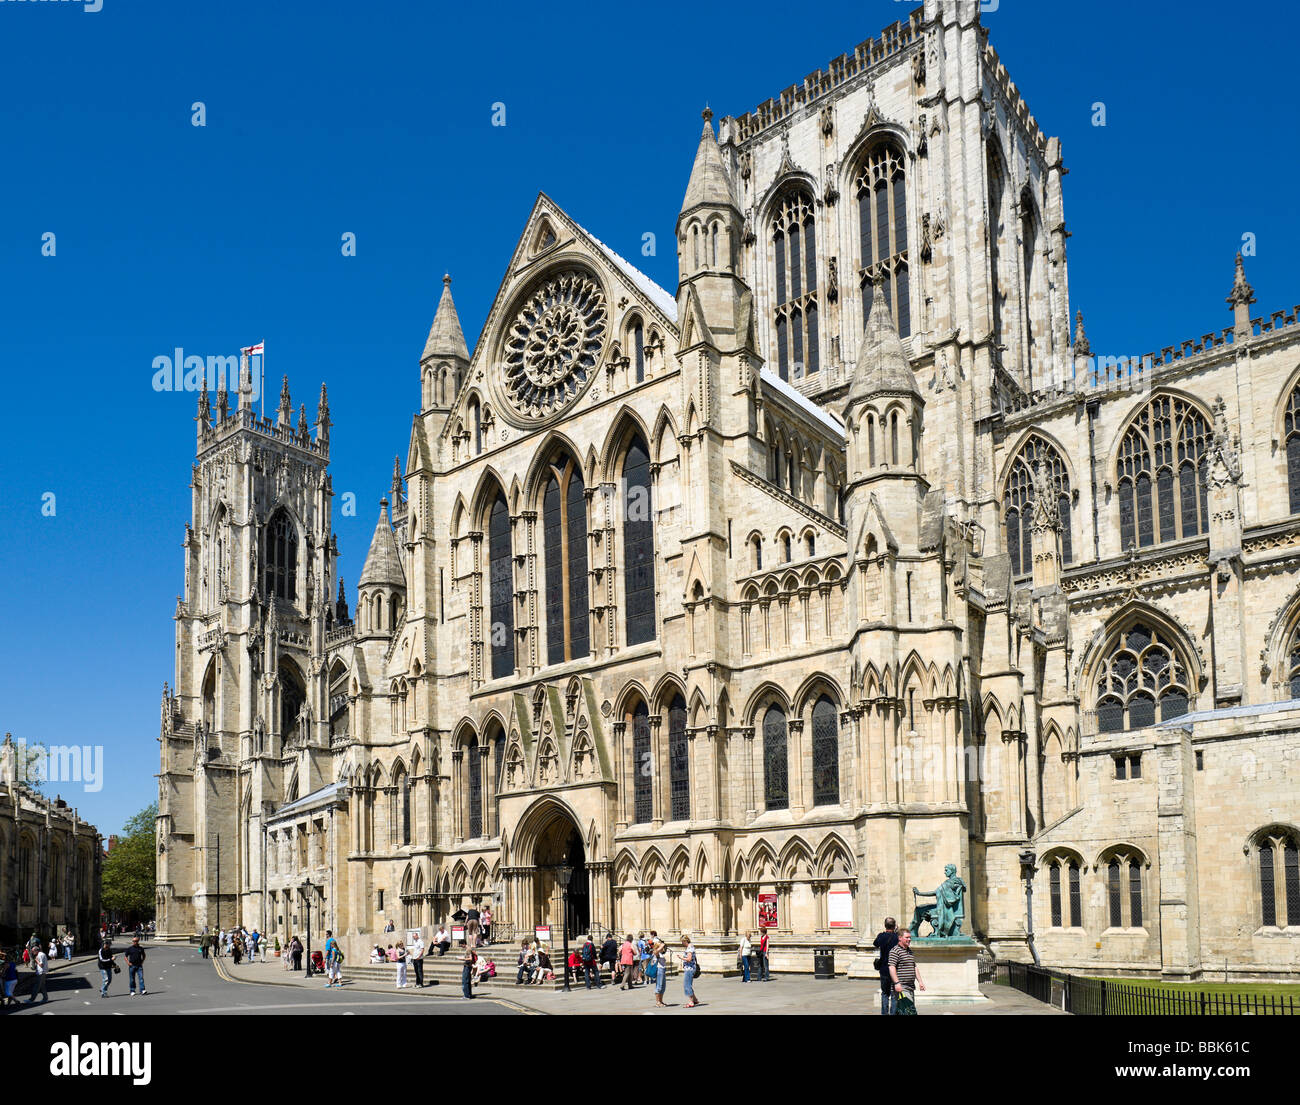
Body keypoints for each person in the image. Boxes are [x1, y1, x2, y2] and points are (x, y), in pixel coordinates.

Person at [888, 928, 926, 1014]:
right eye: (907, 937)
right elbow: (891, 967)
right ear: (900, 938)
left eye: (910, 937)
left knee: (906, 1011)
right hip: (902, 987)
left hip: (910, 987)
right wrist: (897, 983)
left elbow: (914, 967)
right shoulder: (895, 951)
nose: (909, 939)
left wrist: (920, 982)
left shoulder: (909, 951)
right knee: (908, 1012)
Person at [872, 917, 900, 1015]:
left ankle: (884, 1013)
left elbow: (875, 943)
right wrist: (897, 931)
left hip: (884, 969)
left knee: (885, 993)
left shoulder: (881, 936)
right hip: (895, 969)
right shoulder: (897, 937)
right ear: (894, 926)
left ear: (885, 925)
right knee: (894, 994)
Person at [681, 936, 700, 1008]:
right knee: (688, 984)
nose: (682, 944)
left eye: (682, 942)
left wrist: (681, 958)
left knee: (687, 985)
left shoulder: (689, 948)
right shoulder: (691, 946)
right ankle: (695, 999)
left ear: (685, 941)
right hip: (691, 968)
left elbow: (689, 959)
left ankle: (691, 1002)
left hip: (689, 968)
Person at [650, 941, 669, 1008]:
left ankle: (661, 1001)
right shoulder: (656, 953)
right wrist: (661, 946)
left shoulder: (660, 953)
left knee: (663, 986)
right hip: (659, 970)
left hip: (663, 969)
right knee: (659, 986)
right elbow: (655, 952)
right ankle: (657, 1002)